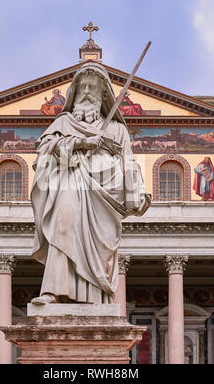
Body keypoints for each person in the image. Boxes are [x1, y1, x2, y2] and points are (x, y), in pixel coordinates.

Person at [31, 62, 150, 305]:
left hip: (106, 195)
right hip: (71, 182)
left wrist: (136, 194)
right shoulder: (63, 124)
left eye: (92, 88)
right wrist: (80, 144)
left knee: (100, 248)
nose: (86, 92)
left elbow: (128, 162)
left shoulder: (117, 129)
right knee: (62, 227)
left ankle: (96, 297)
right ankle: (52, 291)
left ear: (103, 95)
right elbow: (43, 150)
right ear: (73, 93)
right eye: (82, 87)